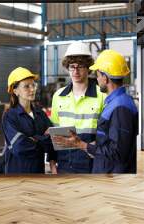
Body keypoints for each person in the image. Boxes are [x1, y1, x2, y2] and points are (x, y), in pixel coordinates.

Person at [52, 49, 138, 173]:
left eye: (98, 75)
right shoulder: (115, 102)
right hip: (68, 163)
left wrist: (83, 145)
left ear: (105, 78)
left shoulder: (119, 106)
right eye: (72, 67)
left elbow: (118, 151)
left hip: (101, 168)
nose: (96, 79)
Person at [50, 42, 106, 173]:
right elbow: (54, 135)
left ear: (88, 68)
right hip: (63, 165)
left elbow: (107, 137)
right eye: (72, 67)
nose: (75, 71)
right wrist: (52, 163)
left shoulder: (102, 96)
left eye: (80, 66)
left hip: (91, 166)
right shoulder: (58, 96)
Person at [2, 67, 57, 174]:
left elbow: (53, 140)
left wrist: (34, 139)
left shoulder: (40, 114)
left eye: (33, 85)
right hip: (17, 174)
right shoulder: (10, 116)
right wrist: (43, 139)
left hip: (38, 173)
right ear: (15, 90)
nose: (32, 89)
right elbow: (20, 147)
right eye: (27, 86)